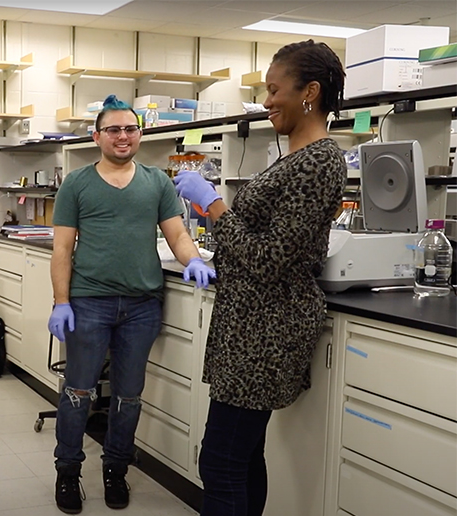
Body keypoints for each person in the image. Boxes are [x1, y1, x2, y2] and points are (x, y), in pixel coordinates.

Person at [173, 40, 347, 516]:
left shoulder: (319, 161)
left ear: (310, 92)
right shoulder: (296, 158)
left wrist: (213, 207)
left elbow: (270, 259)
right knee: (242, 456)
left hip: (267, 332)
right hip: (249, 327)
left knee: (221, 461)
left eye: (274, 90)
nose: (266, 101)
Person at [48, 95, 215, 514]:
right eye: (114, 130)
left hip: (142, 305)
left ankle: (115, 470)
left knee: (129, 396)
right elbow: (62, 250)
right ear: (97, 136)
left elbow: (176, 234)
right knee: (78, 392)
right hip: (89, 303)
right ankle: (67, 471)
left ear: (139, 134)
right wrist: (61, 301)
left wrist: (192, 257)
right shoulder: (78, 183)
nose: (123, 136)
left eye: (130, 129)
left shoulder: (156, 181)